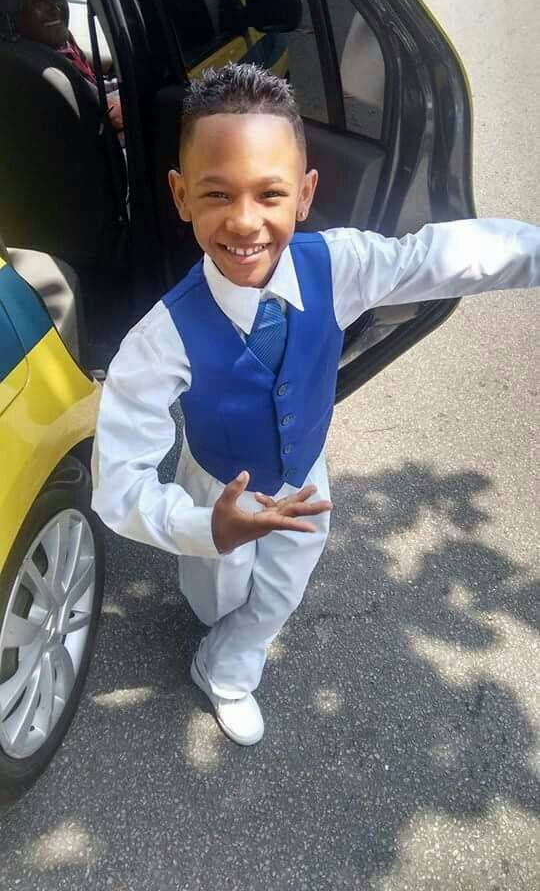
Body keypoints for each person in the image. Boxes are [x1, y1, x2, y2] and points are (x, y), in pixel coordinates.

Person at [91, 63, 539, 747]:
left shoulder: (339, 264)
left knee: (279, 591)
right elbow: (119, 480)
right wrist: (204, 527)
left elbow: (439, 255)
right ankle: (213, 623)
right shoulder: (161, 338)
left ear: (304, 194)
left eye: (269, 193)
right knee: (214, 594)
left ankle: (227, 671)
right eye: (217, 194)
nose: (245, 221)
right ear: (181, 196)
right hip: (219, 486)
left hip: (304, 478)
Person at [2, 0, 122, 131]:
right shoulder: (43, 69)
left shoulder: (55, 39)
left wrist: (120, 62)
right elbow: (111, 114)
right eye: (39, 1)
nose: (55, 8)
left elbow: (82, 59)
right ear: (12, 12)